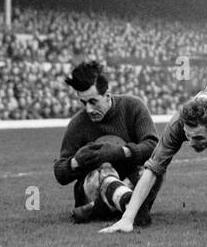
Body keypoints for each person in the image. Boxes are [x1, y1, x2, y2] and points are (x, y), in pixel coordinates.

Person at [100, 75, 207, 235]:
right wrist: (127, 219)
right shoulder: (178, 123)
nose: (190, 143)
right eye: (187, 136)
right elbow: (153, 167)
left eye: (197, 137)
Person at [55, 60, 160, 224]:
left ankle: (96, 209)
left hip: (130, 179)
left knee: (154, 170)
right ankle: (129, 205)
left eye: (93, 102)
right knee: (104, 168)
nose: (88, 109)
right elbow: (60, 172)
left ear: (108, 95)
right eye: (83, 103)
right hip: (94, 185)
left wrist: (121, 152)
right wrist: (76, 162)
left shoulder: (133, 107)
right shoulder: (78, 124)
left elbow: (154, 146)